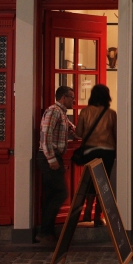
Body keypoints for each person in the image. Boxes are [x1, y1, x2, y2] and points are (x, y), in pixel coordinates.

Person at [36, 85, 78, 245]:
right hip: (49, 157)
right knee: (60, 193)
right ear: (63, 98)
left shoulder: (62, 114)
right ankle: (45, 232)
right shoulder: (54, 111)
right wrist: (51, 159)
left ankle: (46, 232)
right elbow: (45, 136)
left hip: (53, 156)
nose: (74, 100)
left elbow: (73, 130)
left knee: (52, 195)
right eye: (71, 97)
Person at [75, 84, 117, 226]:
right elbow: (116, 135)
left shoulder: (85, 112)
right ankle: (98, 215)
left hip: (89, 151)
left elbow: (79, 133)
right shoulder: (111, 114)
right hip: (108, 152)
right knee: (103, 182)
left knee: (90, 181)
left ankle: (87, 211)